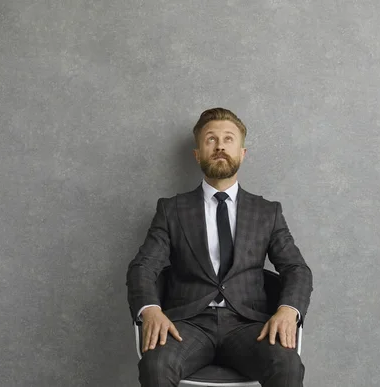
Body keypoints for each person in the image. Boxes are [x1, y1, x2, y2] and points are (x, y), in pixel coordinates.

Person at [127, 107, 313, 387]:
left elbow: (296, 268)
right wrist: (151, 310)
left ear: (242, 153)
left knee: (286, 363)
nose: (220, 146)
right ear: (197, 153)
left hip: (249, 327)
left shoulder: (267, 212)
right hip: (188, 326)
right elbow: (143, 266)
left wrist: (288, 310)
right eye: (210, 140)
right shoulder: (171, 210)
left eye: (228, 139)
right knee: (157, 363)